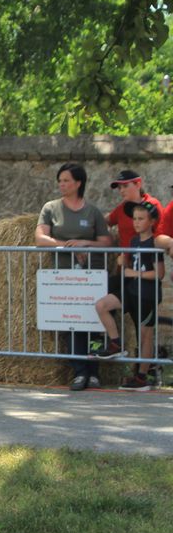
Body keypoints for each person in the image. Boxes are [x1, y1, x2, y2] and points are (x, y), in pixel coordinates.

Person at [35, 162, 113, 391]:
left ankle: (94, 371)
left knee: (94, 322)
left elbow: (107, 241)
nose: (62, 184)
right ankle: (79, 371)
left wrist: (86, 243)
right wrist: (67, 246)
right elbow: (40, 238)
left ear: (78, 183)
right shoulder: (50, 208)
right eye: (60, 181)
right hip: (64, 277)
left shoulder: (92, 211)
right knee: (72, 323)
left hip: (92, 276)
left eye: (66, 180)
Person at [94, 201, 166, 391]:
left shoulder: (155, 242)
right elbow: (131, 266)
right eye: (134, 219)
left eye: (141, 219)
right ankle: (116, 343)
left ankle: (142, 376)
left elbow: (159, 274)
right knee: (102, 305)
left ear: (151, 221)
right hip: (132, 290)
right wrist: (123, 264)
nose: (136, 222)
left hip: (147, 294)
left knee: (145, 336)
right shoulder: (134, 241)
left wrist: (135, 274)